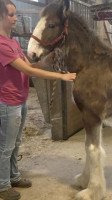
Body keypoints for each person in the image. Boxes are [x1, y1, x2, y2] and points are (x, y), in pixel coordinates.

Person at [0, 0, 76, 199]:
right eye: (10, 15)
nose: (15, 18)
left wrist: (51, 56)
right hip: (8, 102)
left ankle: (14, 176)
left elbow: (33, 64)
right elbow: (29, 70)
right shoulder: (1, 45)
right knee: (5, 146)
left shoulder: (14, 42)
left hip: (20, 98)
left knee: (16, 142)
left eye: (15, 14)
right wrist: (62, 76)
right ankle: (2, 185)